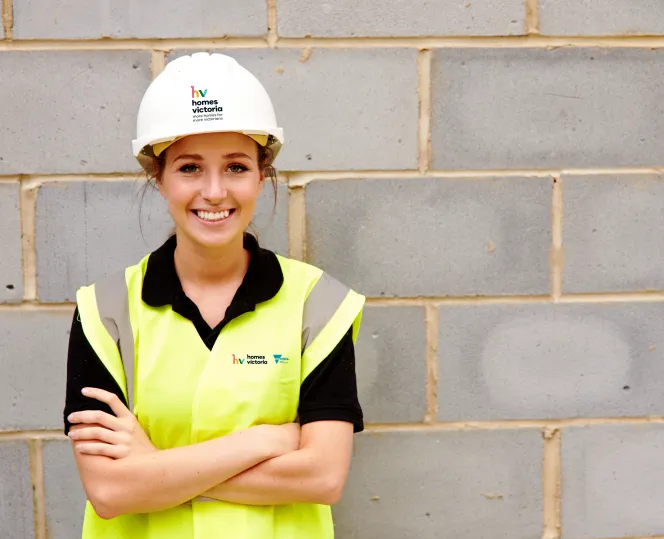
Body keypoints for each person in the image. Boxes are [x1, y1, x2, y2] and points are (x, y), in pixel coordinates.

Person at [63, 52, 365, 539]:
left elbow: (324, 477)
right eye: (189, 168)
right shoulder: (104, 312)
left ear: (262, 176)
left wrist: (155, 470)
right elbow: (111, 492)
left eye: (236, 167)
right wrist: (265, 440)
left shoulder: (318, 304)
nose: (215, 191)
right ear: (157, 177)